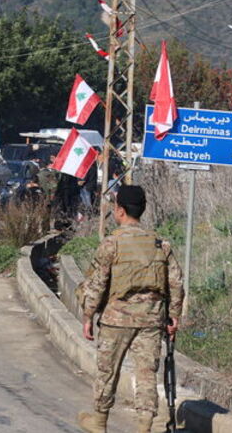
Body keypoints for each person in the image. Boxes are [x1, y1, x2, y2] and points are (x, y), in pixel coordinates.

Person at [77, 185, 184, 433]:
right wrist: (174, 317)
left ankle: (99, 421)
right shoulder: (160, 244)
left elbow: (97, 284)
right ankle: (144, 426)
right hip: (151, 320)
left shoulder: (111, 243)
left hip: (116, 320)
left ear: (120, 211)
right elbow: (176, 283)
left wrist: (87, 315)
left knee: (107, 371)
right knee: (147, 374)